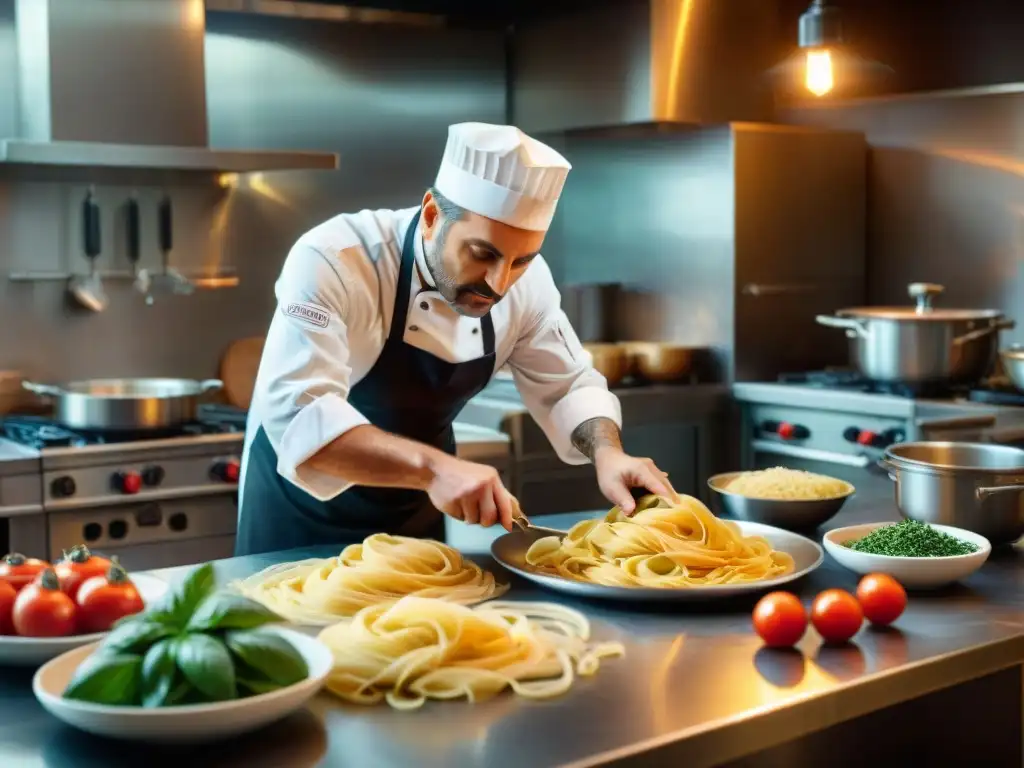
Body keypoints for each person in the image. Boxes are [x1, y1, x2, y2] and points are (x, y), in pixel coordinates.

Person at [234, 122, 674, 557]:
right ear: (431, 216)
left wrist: (608, 453)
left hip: (414, 524)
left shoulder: (528, 284)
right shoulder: (335, 259)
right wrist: (435, 469)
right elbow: (299, 417)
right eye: (482, 253)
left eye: (521, 259)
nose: (499, 283)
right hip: (299, 522)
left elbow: (569, 386)